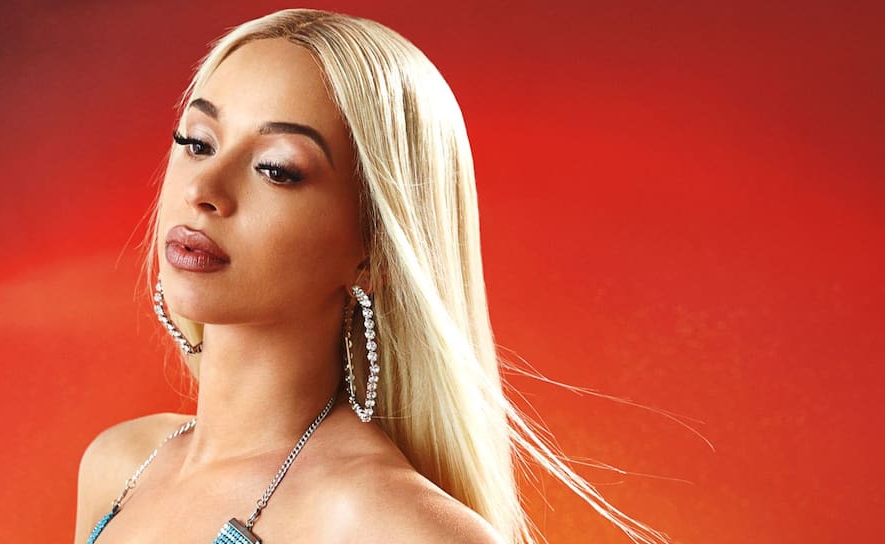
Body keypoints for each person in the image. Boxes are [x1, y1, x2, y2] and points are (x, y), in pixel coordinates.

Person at [74, 8, 665, 544]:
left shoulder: (396, 528)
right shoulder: (119, 466)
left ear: (376, 252)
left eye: (277, 169)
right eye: (197, 142)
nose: (202, 189)